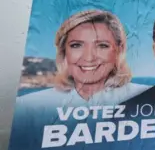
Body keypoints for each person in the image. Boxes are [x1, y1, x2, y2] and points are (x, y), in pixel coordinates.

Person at [17, 9, 146, 110]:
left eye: (102, 45)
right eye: (76, 45)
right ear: (64, 51)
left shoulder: (148, 97)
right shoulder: (28, 107)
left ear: (119, 50)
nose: (88, 57)